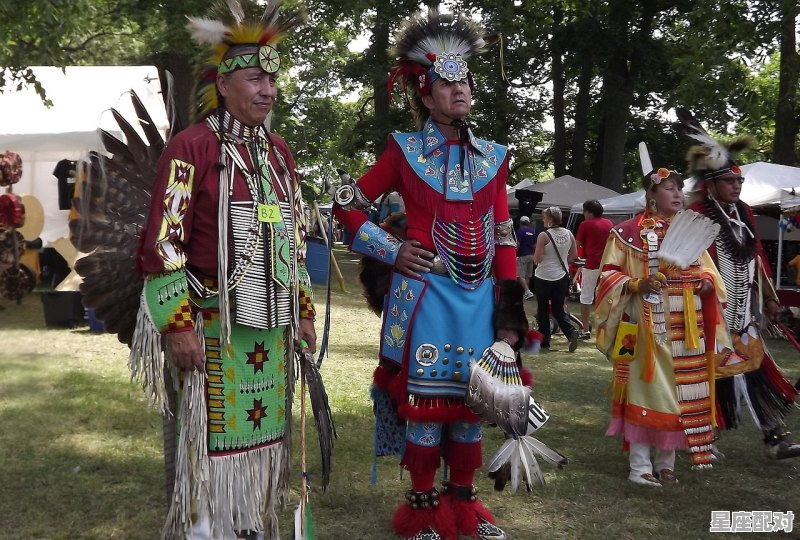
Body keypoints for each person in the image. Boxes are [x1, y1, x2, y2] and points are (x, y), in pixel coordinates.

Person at [333, 9, 527, 540]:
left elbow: (504, 234)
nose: (459, 89)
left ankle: (465, 510)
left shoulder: (495, 158)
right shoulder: (402, 150)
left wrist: (509, 315)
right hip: (425, 299)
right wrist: (390, 249)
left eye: (464, 79)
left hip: (479, 299)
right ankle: (421, 513)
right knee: (425, 408)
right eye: (447, 82)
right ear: (425, 95)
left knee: (472, 406)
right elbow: (346, 203)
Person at [133, 3, 317, 538]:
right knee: (210, 439)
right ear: (225, 84)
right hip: (211, 324)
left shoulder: (278, 154)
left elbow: (292, 242)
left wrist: (303, 312)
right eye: (255, 79)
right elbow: (163, 244)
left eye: (272, 79)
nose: (268, 90)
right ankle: (208, 527)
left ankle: (250, 523)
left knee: (264, 434)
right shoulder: (190, 149)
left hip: (269, 326)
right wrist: (178, 324)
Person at [678, 112, 800, 460]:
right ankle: (703, 438)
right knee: (711, 378)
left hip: (744, 316)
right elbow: (686, 263)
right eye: (729, 181)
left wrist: (770, 300)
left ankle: (775, 439)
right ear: (711, 184)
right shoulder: (697, 215)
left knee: (757, 373)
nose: (737, 186)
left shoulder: (744, 213)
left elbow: (756, 259)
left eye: (739, 182)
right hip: (707, 317)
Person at [594, 168, 727, 487]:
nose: (678, 194)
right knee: (646, 390)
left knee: (682, 394)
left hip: (687, 328)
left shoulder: (691, 233)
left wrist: (707, 284)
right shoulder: (626, 233)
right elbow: (607, 275)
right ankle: (639, 467)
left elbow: (709, 273)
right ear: (651, 195)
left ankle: (667, 463)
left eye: (680, 189)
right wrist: (637, 283)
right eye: (669, 188)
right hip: (642, 327)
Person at [533, 206, 579, 352]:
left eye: (544, 217)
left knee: (543, 309)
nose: (543, 220)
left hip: (544, 276)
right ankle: (571, 332)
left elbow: (537, 259)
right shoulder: (569, 234)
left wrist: (539, 258)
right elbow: (573, 256)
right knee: (559, 309)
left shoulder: (544, 235)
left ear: (550, 219)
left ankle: (545, 340)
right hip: (561, 277)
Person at [575, 200, 613, 339]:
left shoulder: (585, 224)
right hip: (607, 265)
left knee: (586, 297)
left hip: (591, 264)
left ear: (589, 212)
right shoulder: (608, 223)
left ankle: (585, 329)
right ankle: (607, 329)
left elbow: (577, 244)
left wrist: (572, 258)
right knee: (606, 297)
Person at [516, 215, 536, 300]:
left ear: (520, 222)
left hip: (522, 255)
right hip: (531, 255)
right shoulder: (532, 231)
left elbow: (518, 244)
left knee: (520, 275)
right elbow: (535, 245)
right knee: (528, 275)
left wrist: (515, 253)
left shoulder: (520, 231)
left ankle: (527, 291)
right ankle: (527, 294)